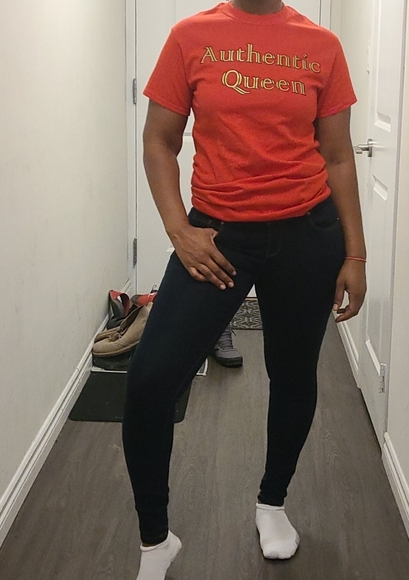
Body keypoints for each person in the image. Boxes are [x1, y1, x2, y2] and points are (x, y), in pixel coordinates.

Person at [122, 1, 367, 578]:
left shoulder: (322, 46)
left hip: (308, 235)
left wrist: (355, 254)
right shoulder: (190, 37)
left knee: (293, 375)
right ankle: (156, 541)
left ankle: (272, 503)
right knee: (151, 382)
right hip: (218, 236)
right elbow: (159, 140)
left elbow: (337, 156)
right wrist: (178, 230)